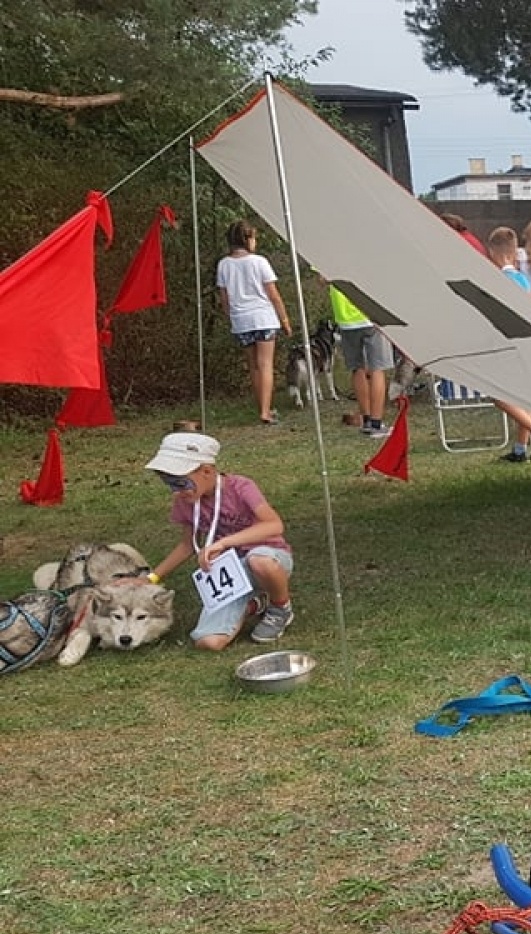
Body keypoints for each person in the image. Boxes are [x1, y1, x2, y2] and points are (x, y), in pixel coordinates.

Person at [143, 431, 296, 649]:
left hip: (269, 558)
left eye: (180, 483)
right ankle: (252, 604)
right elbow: (187, 545)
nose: (176, 491)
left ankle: (280, 608)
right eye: (169, 484)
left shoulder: (241, 487)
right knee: (209, 642)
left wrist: (224, 543)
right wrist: (152, 578)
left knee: (258, 560)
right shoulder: (184, 501)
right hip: (229, 572)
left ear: (206, 471)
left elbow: (274, 525)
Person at [485, 225, 531, 465]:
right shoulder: (522, 278)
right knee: (524, 396)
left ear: (493, 254)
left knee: (496, 393)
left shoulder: (498, 281)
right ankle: (519, 449)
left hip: (508, 344)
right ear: (515, 253)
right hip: (528, 344)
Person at [216, 220, 292, 425]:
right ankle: (266, 412)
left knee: (253, 366)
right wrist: (284, 320)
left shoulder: (224, 264)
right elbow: (274, 295)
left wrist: (230, 316)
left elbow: (224, 298)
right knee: (266, 364)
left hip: (241, 320)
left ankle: (262, 407)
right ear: (247, 239)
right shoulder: (259, 262)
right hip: (263, 318)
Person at [326, 281, 396, 438]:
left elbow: (322, 279)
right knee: (378, 368)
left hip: (345, 319)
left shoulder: (331, 255)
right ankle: (376, 424)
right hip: (371, 315)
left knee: (357, 368)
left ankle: (366, 420)